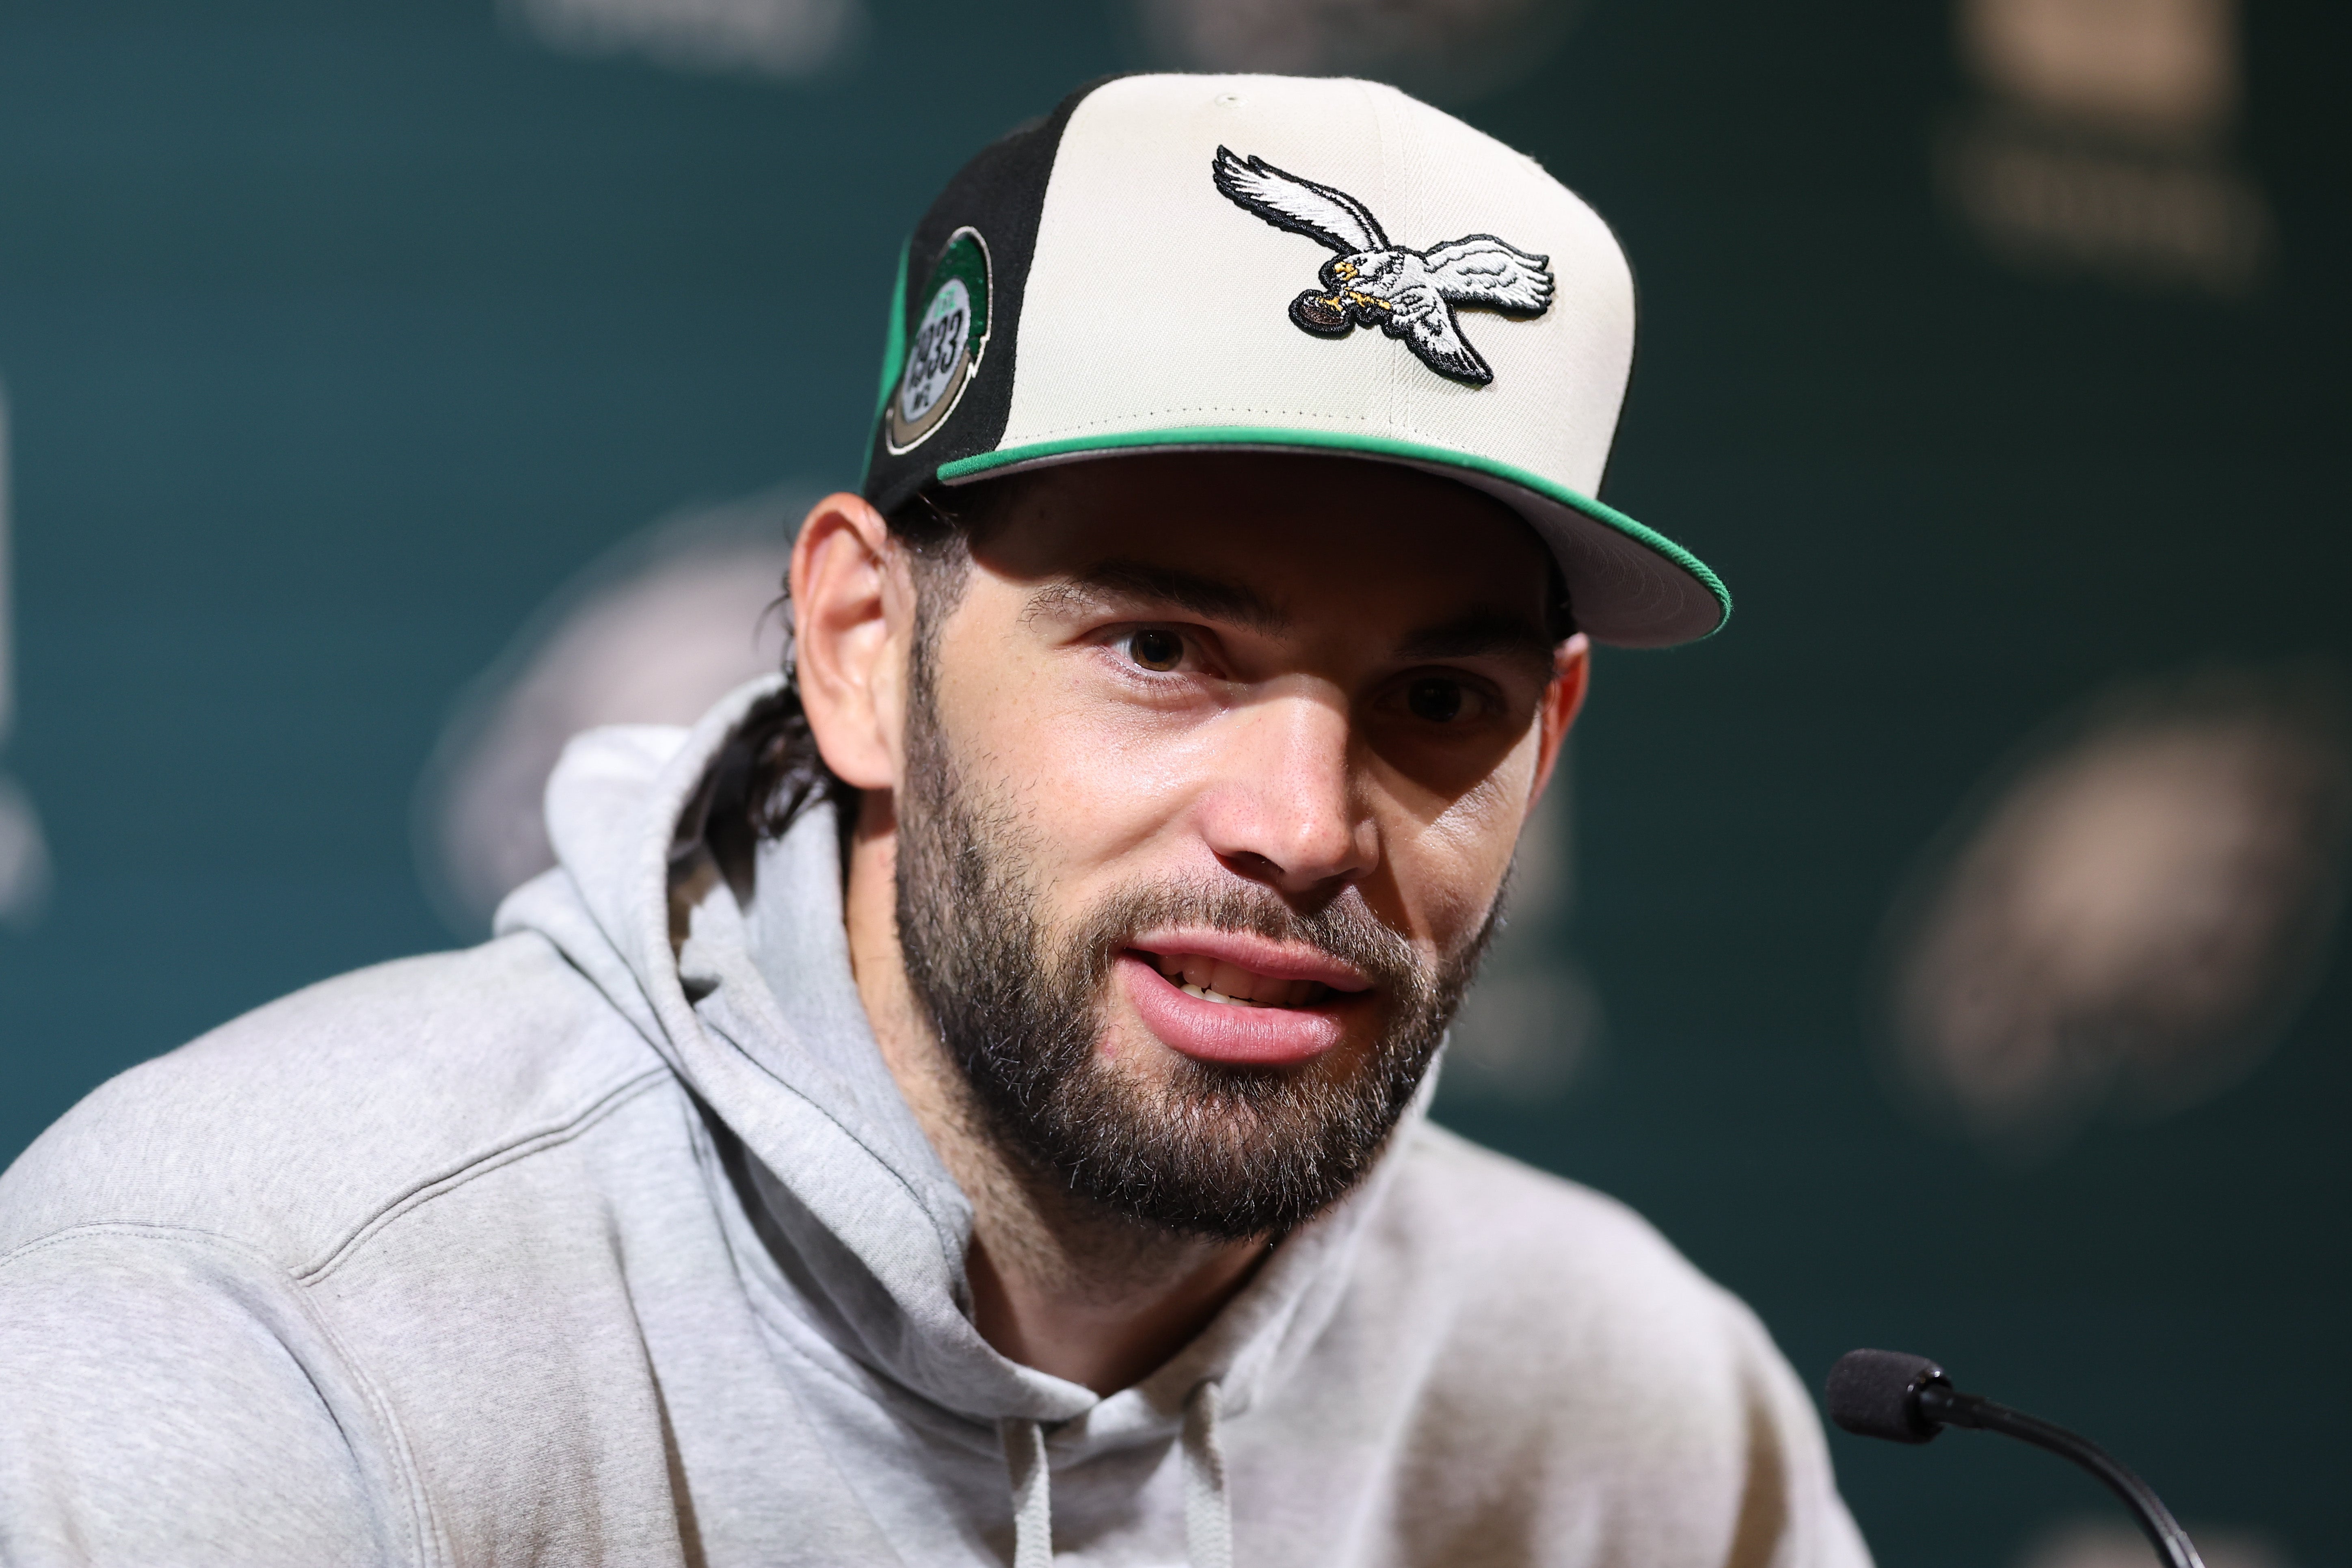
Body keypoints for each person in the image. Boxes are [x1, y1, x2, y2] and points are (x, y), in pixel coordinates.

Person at [0, 74, 1869, 1567]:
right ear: (861, 647)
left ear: (1547, 733)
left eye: (1438, 702)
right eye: (1161, 647)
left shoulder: (1635, 1410)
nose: (1303, 827)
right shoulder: (268, 1325)